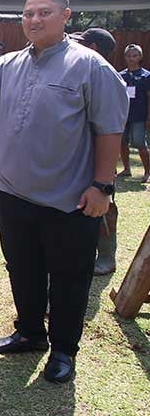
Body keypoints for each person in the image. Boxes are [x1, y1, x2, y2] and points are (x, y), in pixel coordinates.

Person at [0, 0, 128, 383]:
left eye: (44, 12)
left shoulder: (91, 67)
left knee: (69, 275)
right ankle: (30, 331)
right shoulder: (8, 64)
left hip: (71, 198)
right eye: (27, 13)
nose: (34, 20)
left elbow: (109, 131)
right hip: (12, 193)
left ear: (66, 16)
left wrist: (102, 186)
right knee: (22, 268)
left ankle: (64, 350)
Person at [74, 28, 124, 276]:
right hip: (77, 156)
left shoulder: (107, 76)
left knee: (105, 208)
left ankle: (106, 256)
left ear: (93, 48)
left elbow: (110, 129)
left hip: (99, 156)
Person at [118, 43, 150, 182]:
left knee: (139, 143)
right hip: (123, 116)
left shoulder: (146, 76)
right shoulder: (120, 75)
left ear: (140, 57)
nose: (132, 58)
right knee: (122, 142)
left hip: (139, 116)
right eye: (129, 56)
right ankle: (126, 169)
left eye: (135, 55)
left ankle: (147, 172)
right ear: (125, 57)